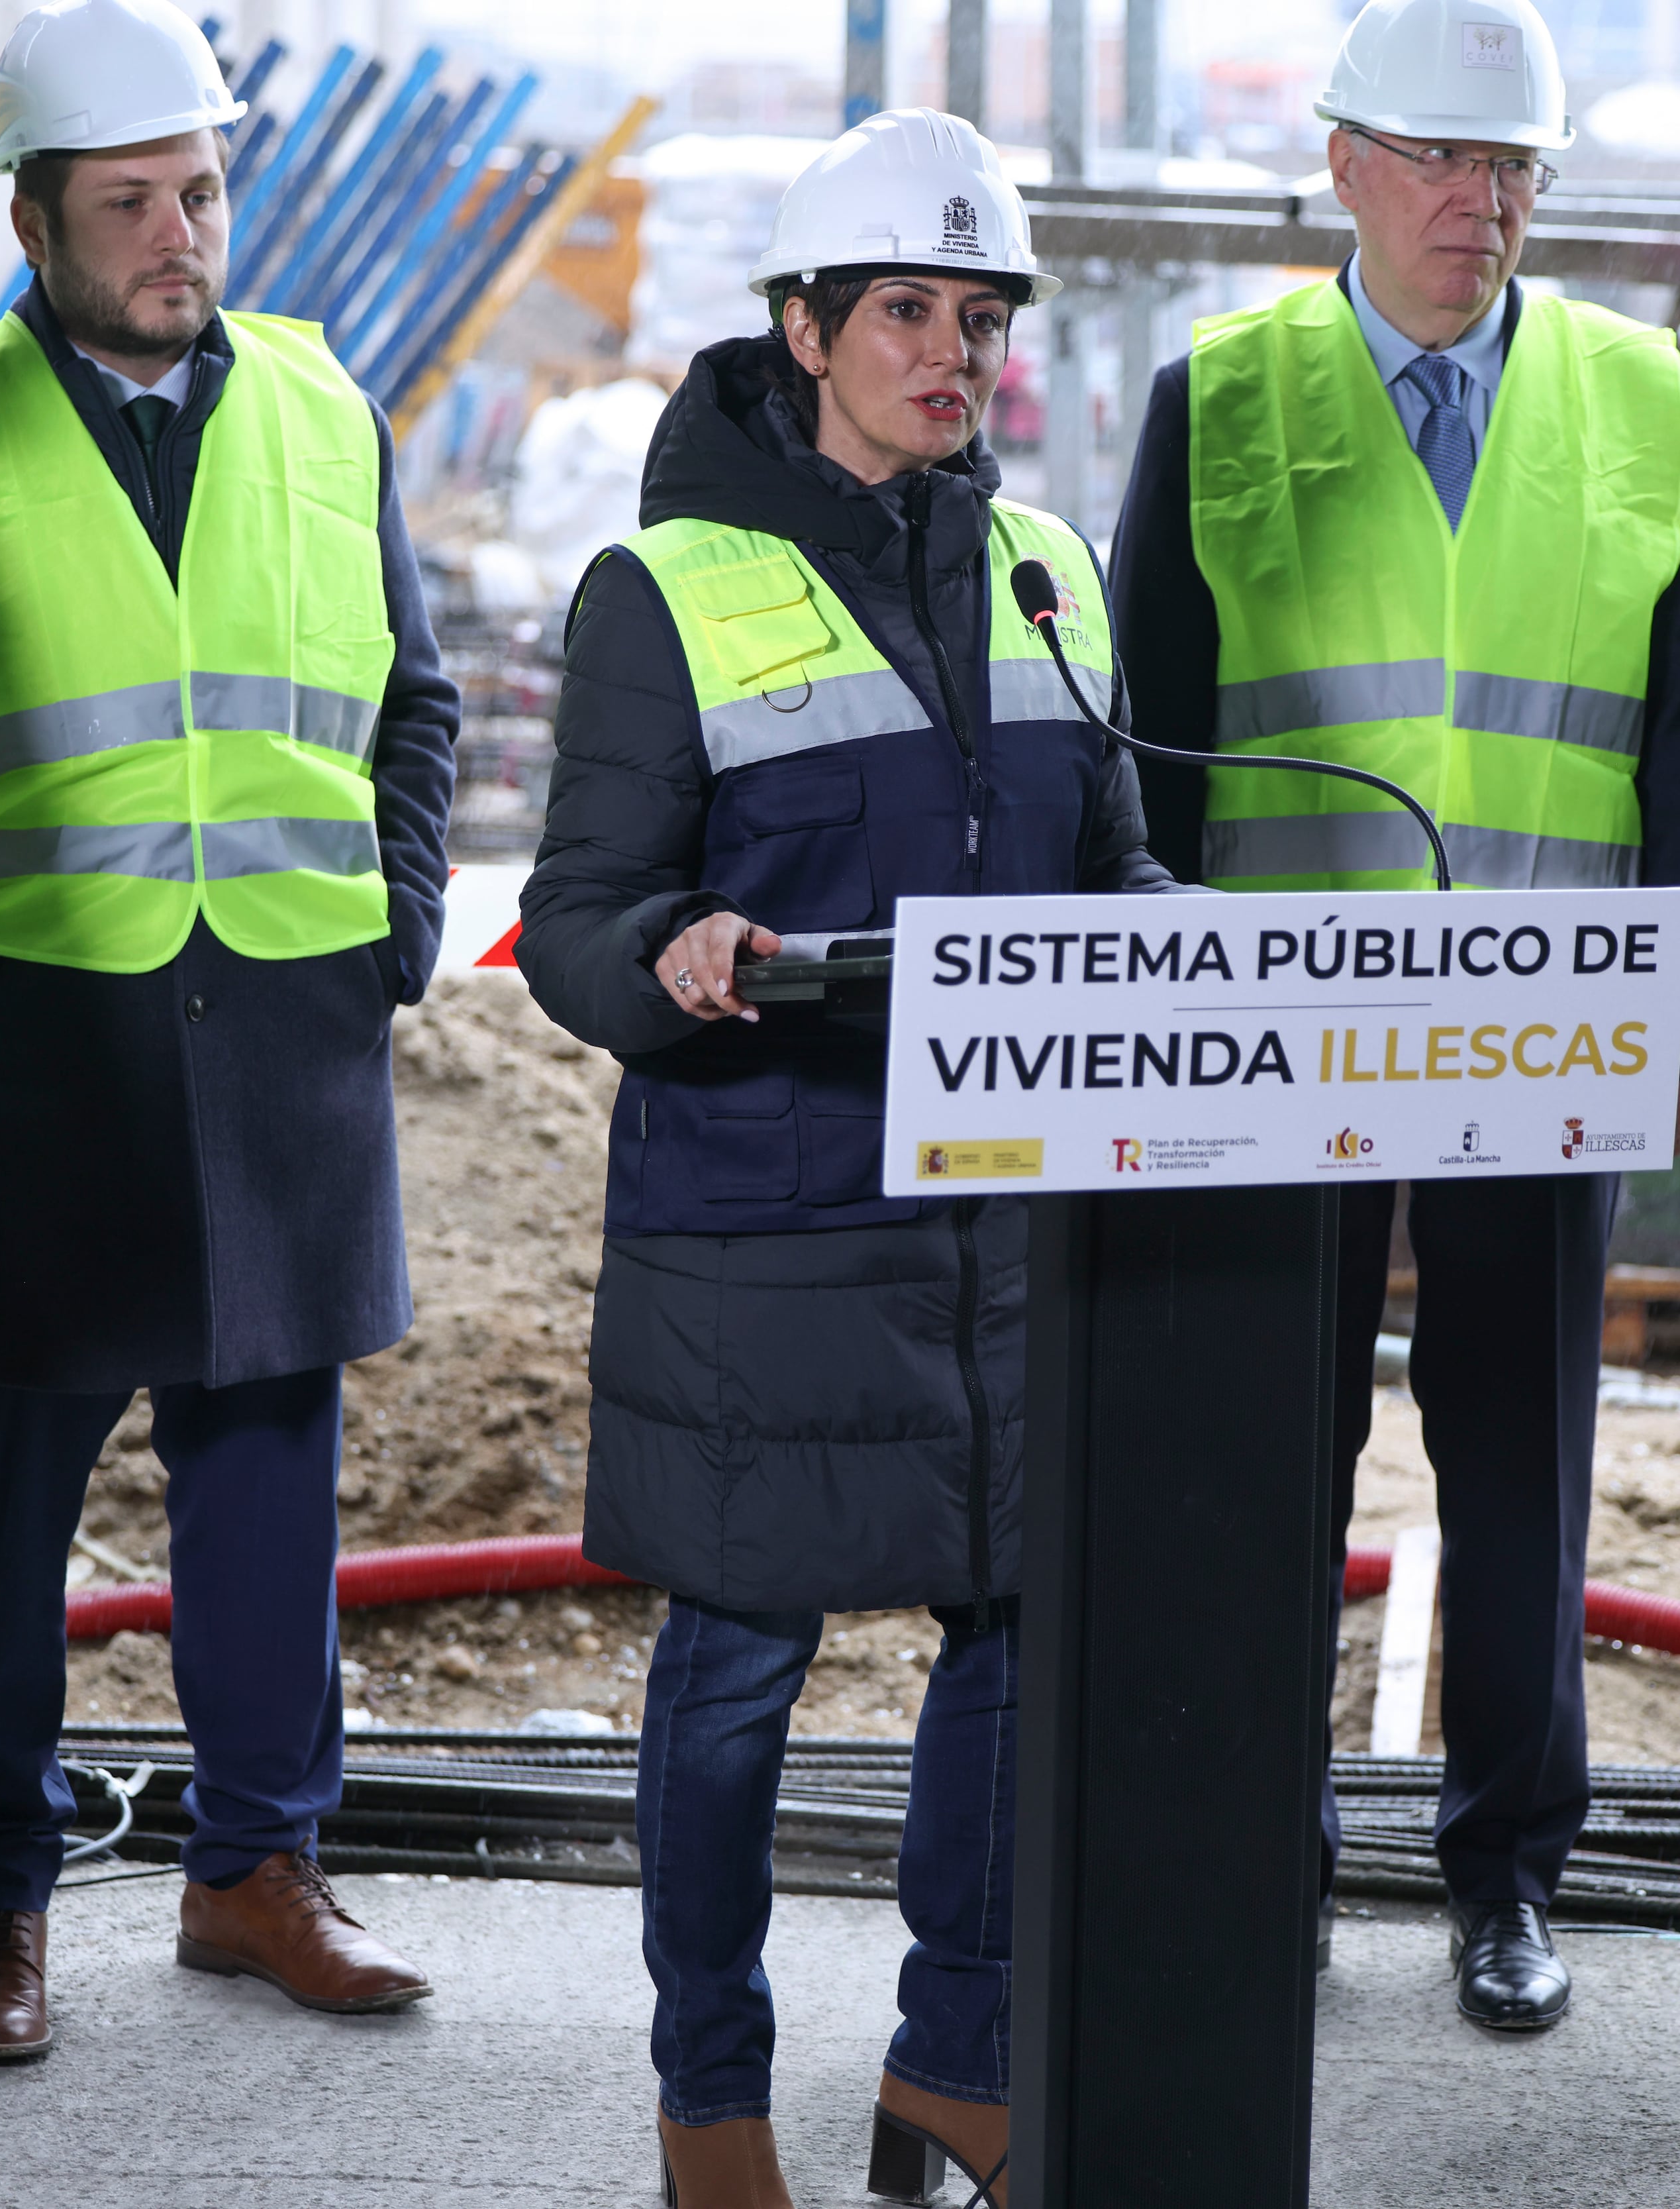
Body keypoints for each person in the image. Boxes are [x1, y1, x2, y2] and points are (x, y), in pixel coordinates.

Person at [519, 107, 1169, 2209]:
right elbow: (577, 920)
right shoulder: (668, 588)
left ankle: (954, 2066)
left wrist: (1187, 948)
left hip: (1003, 1228)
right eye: (907, 309)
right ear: (804, 328)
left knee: (1006, 1638)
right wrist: (672, 950)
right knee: (736, 1675)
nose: (951, 351)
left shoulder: (1052, 571)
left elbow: (1119, 862)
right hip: (767, 1222)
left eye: (978, 317)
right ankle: (711, 2101)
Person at [1107, 0, 1680, 2031]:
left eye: (1519, 171)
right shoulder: (1219, 395)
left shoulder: (1644, 396)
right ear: (1348, 167)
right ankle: (1251, 1854)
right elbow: (1151, 742)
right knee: (1259, 1451)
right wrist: (1154, 1030)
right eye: (1452, 163)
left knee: (1523, 1454)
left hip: (1549, 1023)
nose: (1488, 202)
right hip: (1278, 1023)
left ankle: (1506, 1874)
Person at [0, 0, 456, 2057]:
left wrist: (401, 936)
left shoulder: (324, 408)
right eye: (131, 202)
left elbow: (413, 707)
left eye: (199, 189)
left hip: (284, 1023)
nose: (181, 233)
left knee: (271, 1476)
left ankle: (256, 1871)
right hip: (32, 1044)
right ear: (35, 215)